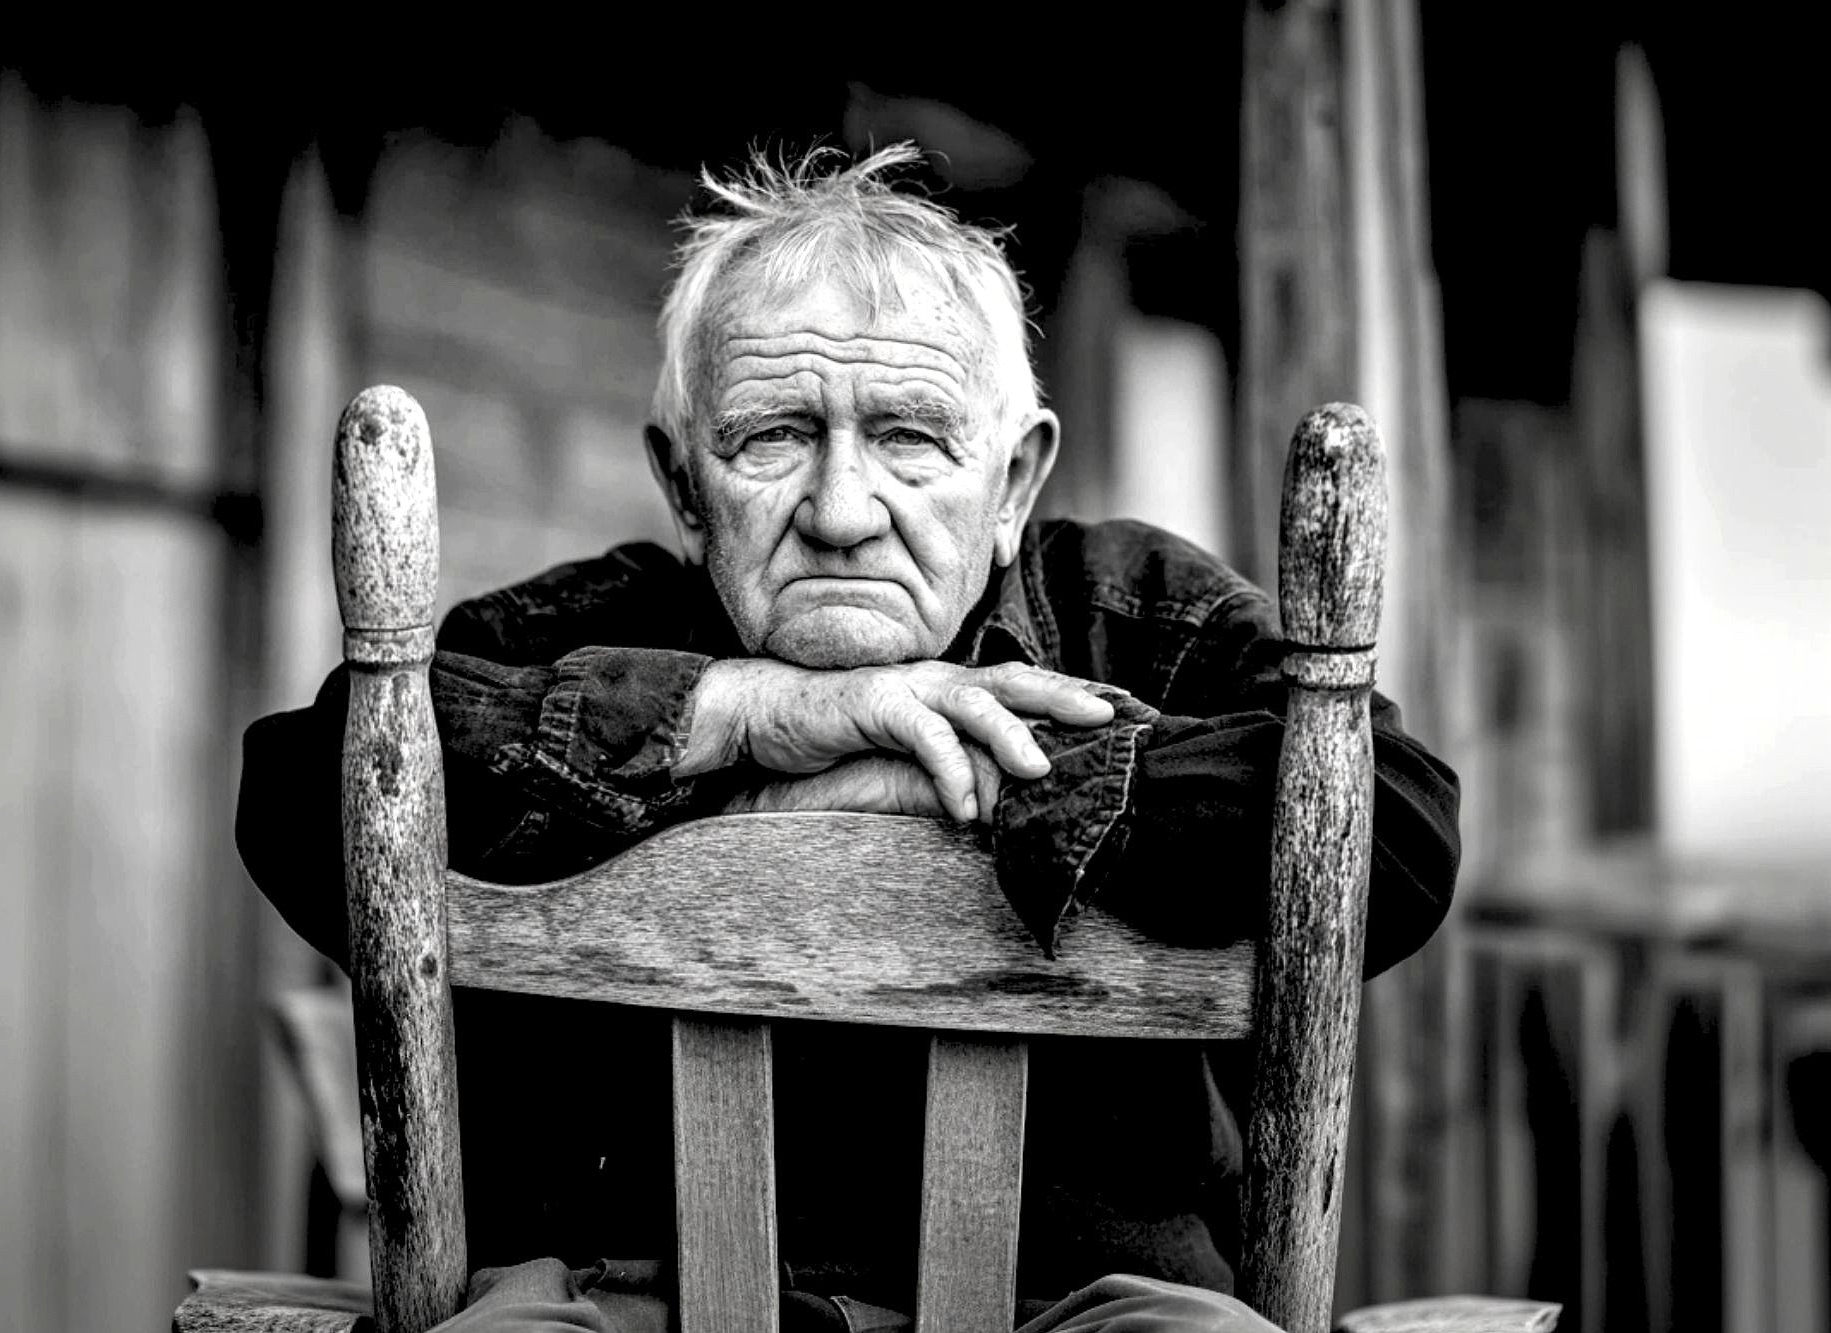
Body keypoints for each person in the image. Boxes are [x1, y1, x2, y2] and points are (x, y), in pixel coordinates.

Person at [237, 142, 1460, 1333]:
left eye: (909, 438)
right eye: (772, 435)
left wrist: (958, 786)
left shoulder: (1133, 618)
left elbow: (1394, 827)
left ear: (1015, 480)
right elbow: (307, 789)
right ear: (681, 483)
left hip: (1088, 1304)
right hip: (612, 1293)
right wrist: (742, 715)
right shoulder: (578, 626)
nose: (838, 510)